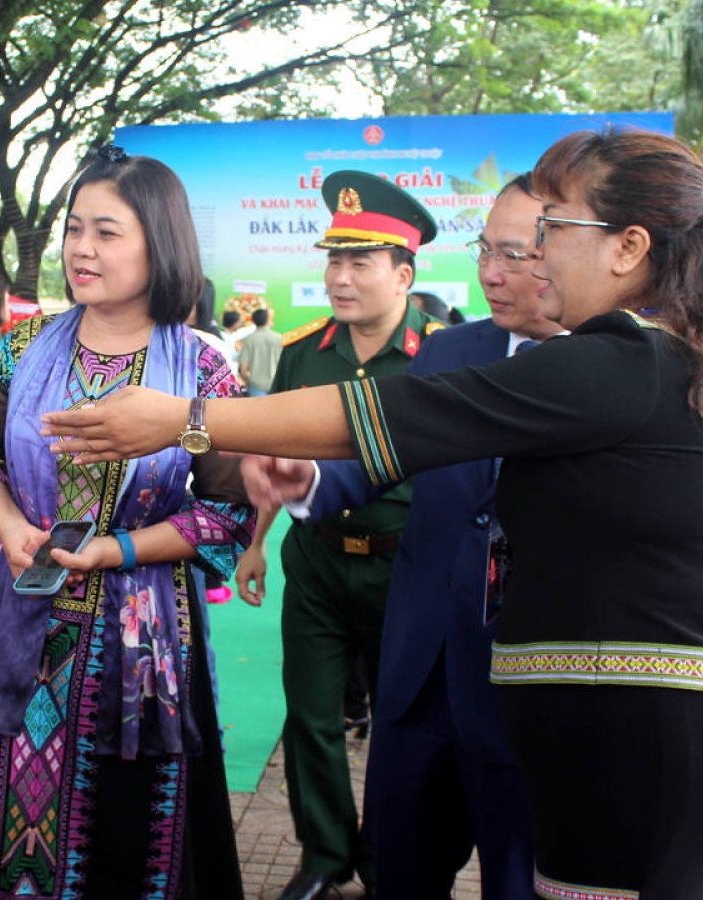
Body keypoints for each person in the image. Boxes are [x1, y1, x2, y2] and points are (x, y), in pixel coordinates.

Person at [41, 128, 703, 900]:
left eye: (552, 229)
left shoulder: (623, 359)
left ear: (628, 247)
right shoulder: (652, 359)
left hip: (630, 748)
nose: (535, 256)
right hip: (606, 738)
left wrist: (186, 420)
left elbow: (396, 413)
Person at [0, 146, 253, 900]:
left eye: (106, 233)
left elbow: (224, 512)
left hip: (142, 647)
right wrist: (9, 524)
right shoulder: (23, 348)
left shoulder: (202, 372)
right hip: (20, 620)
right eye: (75, 229)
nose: (81, 249)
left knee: (131, 836)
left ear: (159, 242)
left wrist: (117, 548)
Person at [336, 175, 560, 900]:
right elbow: (375, 454)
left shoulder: (615, 369)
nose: (492, 273)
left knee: (518, 882)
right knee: (399, 877)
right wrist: (301, 484)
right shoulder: (446, 351)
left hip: (526, 685)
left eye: (517, 254)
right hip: (419, 674)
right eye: (485, 250)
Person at [232, 169, 445, 900]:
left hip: (407, 568)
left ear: (404, 273)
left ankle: (388, 861)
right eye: (334, 260)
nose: (340, 277)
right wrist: (257, 541)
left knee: (400, 725)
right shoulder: (301, 354)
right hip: (317, 564)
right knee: (312, 715)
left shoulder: (440, 358)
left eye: (360, 262)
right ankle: (324, 856)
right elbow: (272, 460)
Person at [236, 307, 282, 397]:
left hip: (256, 385)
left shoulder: (248, 340)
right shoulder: (279, 338)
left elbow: (243, 367)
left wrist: (246, 380)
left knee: (258, 410)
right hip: (275, 383)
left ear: (253, 321)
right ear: (268, 320)